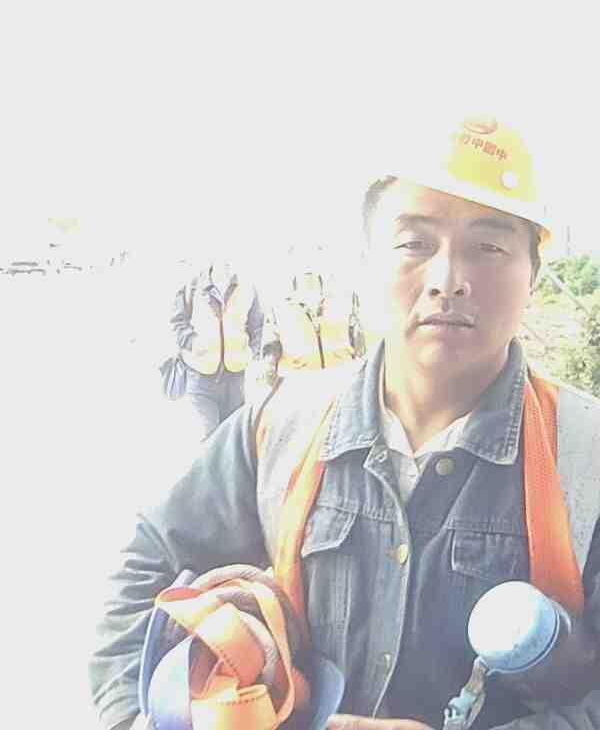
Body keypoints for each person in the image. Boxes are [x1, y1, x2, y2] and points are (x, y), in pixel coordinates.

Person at [90, 115, 600, 730]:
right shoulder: (282, 426)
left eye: (488, 247)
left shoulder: (585, 457)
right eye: (414, 243)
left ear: (533, 274)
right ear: (366, 264)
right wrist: (133, 717)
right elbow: (146, 567)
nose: (447, 281)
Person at [169, 258, 264, 438]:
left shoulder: (248, 287)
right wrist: (192, 342)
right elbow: (176, 322)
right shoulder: (192, 284)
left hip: (235, 378)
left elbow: (258, 326)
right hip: (200, 376)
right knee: (208, 436)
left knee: (233, 437)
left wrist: (252, 353)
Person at [260, 266, 365, 382]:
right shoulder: (277, 304)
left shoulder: (346, 295)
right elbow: (270, 350)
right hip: (299, 382)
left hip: (343, 378)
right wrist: (270, 370)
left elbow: (361, 346)